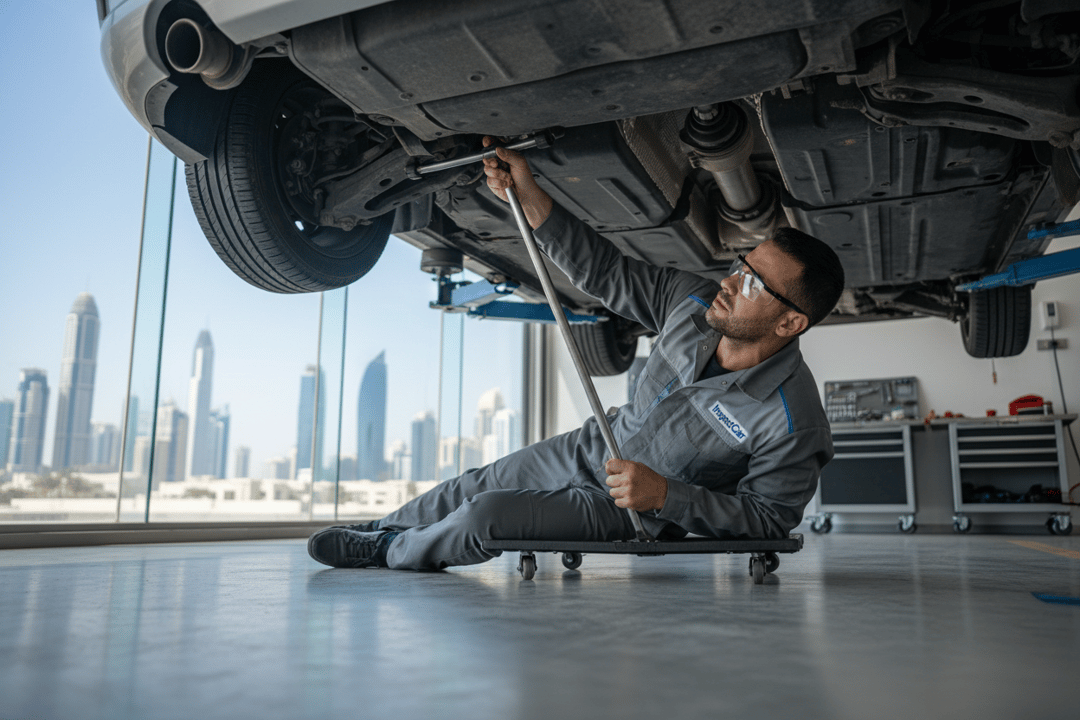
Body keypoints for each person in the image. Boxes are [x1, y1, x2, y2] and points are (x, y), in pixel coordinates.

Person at [307, 138, 845, 571]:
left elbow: (770, 520)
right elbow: (606, 271)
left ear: (790, 322)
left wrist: (668, 497)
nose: (731, 282)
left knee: (487, 515)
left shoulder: (793, 418)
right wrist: (530, 193)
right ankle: (380, 530)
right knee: (475, 484)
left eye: (753, 284)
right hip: (594, 446)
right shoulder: (693, 302)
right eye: (740, 265)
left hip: (628, 508)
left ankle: (385, 555)